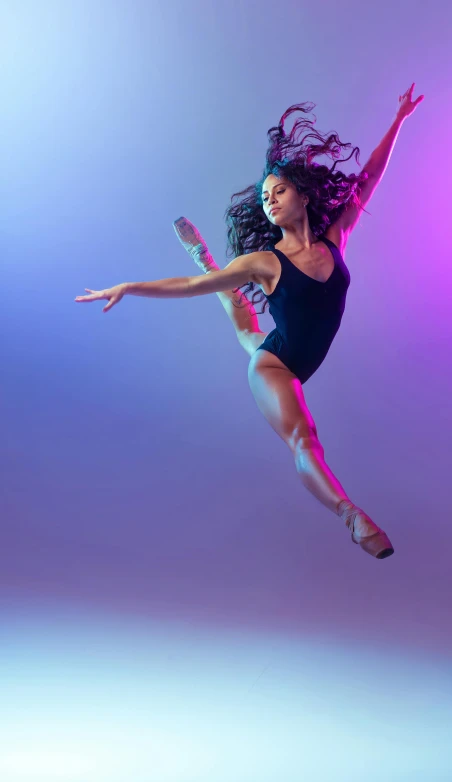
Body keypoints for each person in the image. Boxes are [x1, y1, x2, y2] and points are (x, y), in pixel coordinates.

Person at [76, 84, 424, 559]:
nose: (270, 200)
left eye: (278, 190)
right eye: (264, 196)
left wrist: (399, 119)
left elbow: (368, 178)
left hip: (286, 347)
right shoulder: (265, 259)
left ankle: (206, 256)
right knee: (300, 430)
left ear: (304, 195)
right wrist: (128, 286)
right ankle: (351, 515)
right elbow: (186, 290)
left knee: (245, 329)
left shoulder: (335, 238)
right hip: (277, 366)